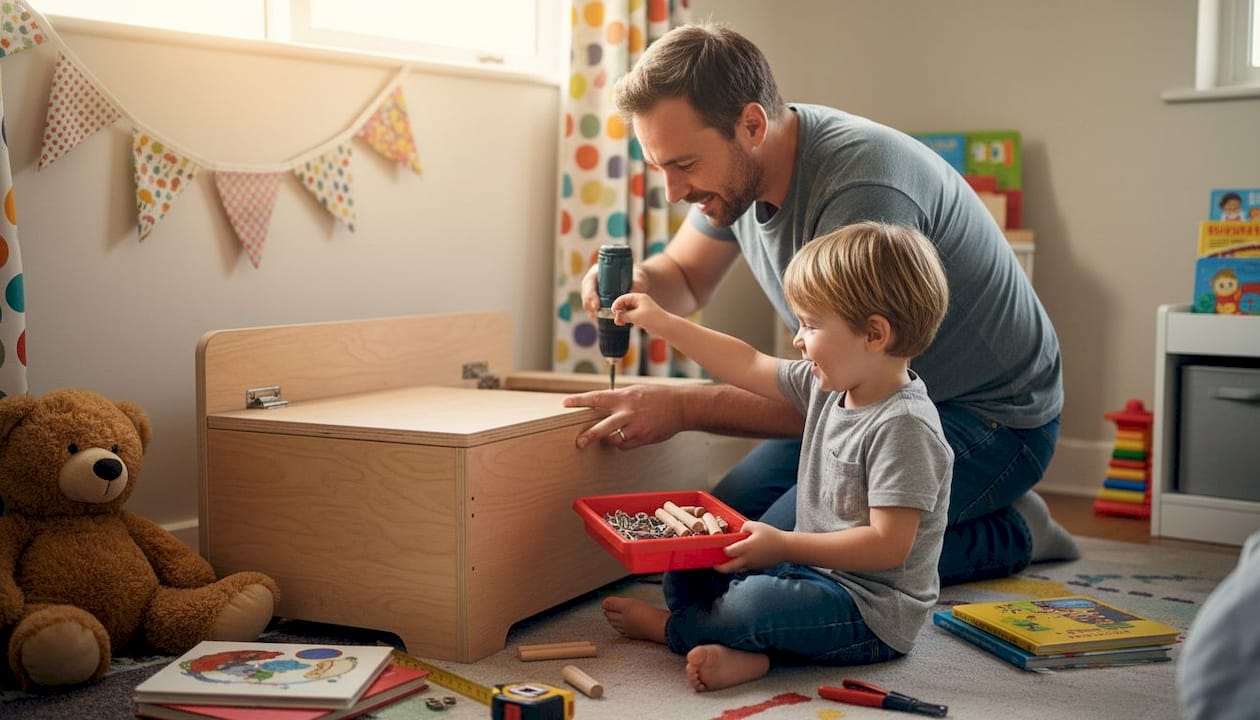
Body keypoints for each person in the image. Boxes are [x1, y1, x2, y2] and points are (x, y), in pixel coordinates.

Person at [564, 21, 1078, 586]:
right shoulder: (740, 169)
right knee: (722, 533)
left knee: (790, 564)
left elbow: (830, 383)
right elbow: (685, 277)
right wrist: (637, 281)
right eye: (660, 167)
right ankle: (956, 511)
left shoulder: (861, 194)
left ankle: (1015, 530)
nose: (673, 191)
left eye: (683, 166)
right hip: (858, 401)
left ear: (752, 124)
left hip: (989, 416)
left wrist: (682, 408)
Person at [601, 221, 953, 691]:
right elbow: (746, 362)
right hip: (809, 571)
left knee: (755, 605)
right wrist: (660, 320)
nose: (797, 340)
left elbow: (888, 545)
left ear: (874, 334)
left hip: (867, 612)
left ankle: (672, 630)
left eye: (810, 324)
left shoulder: (905, 425)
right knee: (694, 563)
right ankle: (750, 652)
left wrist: (783, 545)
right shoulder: (829, 385)